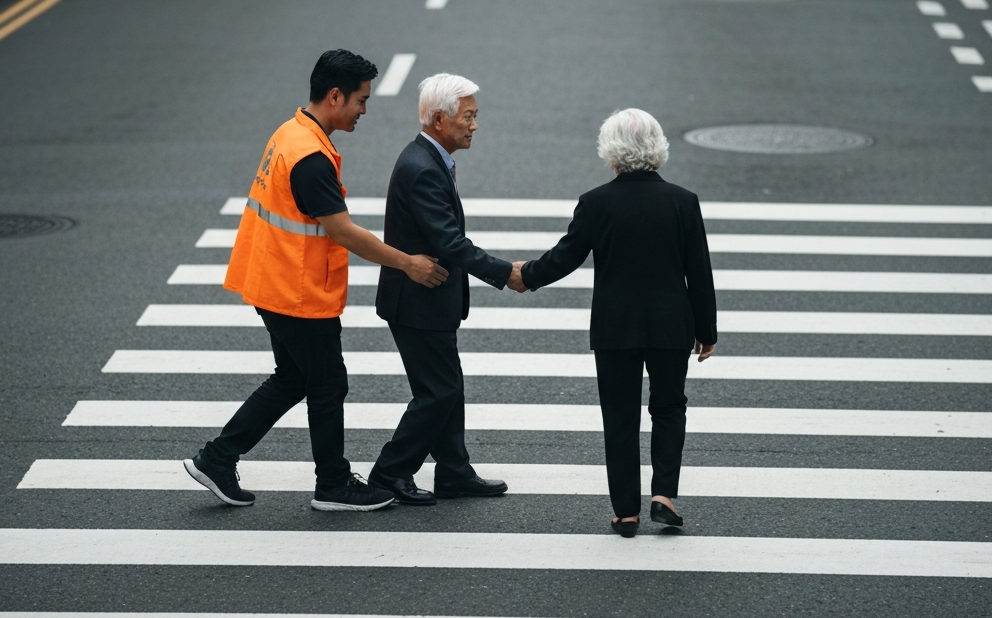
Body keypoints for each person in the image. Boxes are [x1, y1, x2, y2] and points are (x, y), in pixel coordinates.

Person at [183, 49, 449, 512]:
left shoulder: (292, 134)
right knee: (327, 384)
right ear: (334, 96)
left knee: (293, 378)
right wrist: (408, 263)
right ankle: (333, 485)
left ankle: (218, 458)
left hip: (275, 280)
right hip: (296, 290)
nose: (364, 110)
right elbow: (343, 232)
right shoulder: (309, 157)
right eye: (361, 101)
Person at [513, 109, 717, 537]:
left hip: (615, 328)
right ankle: (664, 495)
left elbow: (565, 257)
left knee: (620, 417)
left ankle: (626, 512)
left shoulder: (596, 202)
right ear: (658, 147)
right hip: (670, 326)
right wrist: (707, 330)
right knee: (668, 408)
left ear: (610, 151)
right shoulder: (683, 201)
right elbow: (699, 271)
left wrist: (525, 275)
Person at [367, 73, 524, 505]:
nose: (474, 125)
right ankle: (389, 473)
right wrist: (505, 273)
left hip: (426, 299)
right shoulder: (422, 169)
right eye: (468, 117)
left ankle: (453, 471)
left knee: (446, 387)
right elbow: (449, 242)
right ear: (440, 119)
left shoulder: (428, 159)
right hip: (417, 301)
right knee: (439, 392)